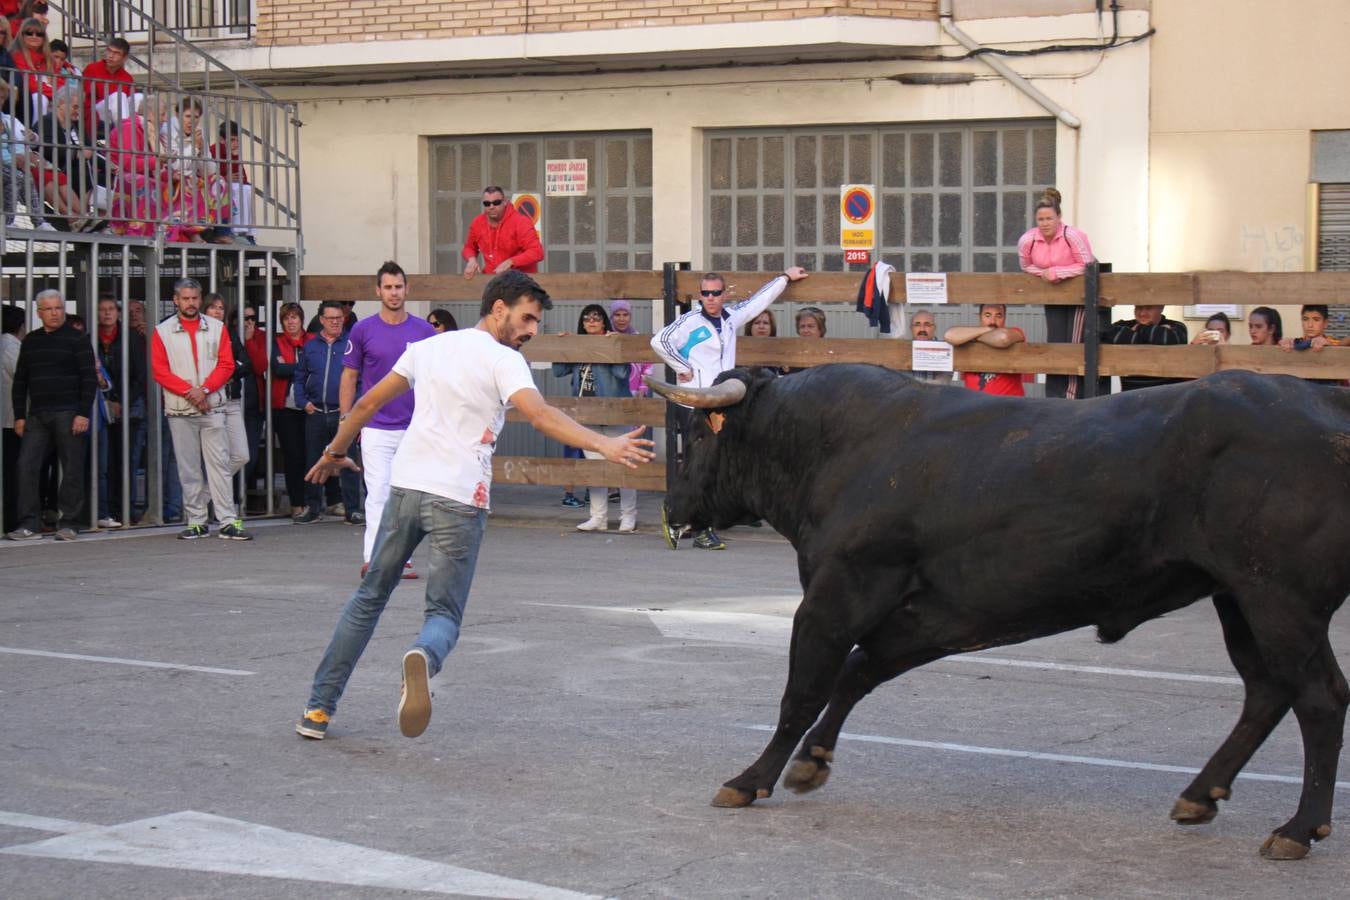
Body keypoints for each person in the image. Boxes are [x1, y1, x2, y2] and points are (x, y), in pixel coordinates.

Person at [295, 269, 655, 741]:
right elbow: (541, 415)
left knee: (368, 599)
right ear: (498, 308)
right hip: (461, 499)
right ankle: (423, 657)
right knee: (442, 615)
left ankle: (318, 710)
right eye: (527, 319)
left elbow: (364, 406)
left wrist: (335, 452)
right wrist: (604, 445)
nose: (531, 331)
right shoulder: (504, 361)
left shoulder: (428, 348)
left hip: (407, 489)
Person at [651, 266, 809, 550]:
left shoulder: (730, 318)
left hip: (722, 402)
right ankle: (687, 521)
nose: (710, 298)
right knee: (698, 464)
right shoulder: (689, 321)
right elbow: (659, 341)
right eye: (705, 293)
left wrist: (784, 277)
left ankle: (698, 521)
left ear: (724, 294)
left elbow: (758, 301)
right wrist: (682, 367)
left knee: (716, 463)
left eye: (715, 293)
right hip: (695, 402)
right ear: (700, 295)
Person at [341, 261, 437, 577]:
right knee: (379, 492)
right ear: (378, 290)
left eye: (398, 287)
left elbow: (434, 378)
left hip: (414, 428)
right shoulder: (363, 329)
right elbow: (350, 374)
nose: (393, 293)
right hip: (375, 428)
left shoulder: (424, 331)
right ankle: (374, 558)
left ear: (406, 289)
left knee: (408, 498)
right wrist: (347, 420)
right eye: (388, 287)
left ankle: (403, 559)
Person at [150, 278, 251, 540]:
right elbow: (160, 371)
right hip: (181, 409)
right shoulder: (162, 331)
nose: (191, 303)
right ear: (175, 300)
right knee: (189, 467)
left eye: (195, 298)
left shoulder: (217, 328)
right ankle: (197, 520)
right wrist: (192, 392)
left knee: (219, 464)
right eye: (185, 298)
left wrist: (204, 390)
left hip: (211, 406)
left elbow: (227, 364)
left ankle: (228, 519)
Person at [6, 289, 96, 541]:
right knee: (27, 466)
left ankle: (69, 522)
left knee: (72, 468)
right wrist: (20, 416)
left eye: (59, 308)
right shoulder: (32, 341)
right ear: (39, 313)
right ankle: (29, 524)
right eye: (49, 309)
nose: (55, 313)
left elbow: (88, 379)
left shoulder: (77, 339)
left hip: (69, 412)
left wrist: (82, 413)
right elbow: (21, 381)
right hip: (37, 415)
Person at [552, 303, 638, 533]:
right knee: (595, 468)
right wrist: (565, 345)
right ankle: (598, 517)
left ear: (603, 322)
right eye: (587, 319)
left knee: (624, 465)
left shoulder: (611, 340)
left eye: (596, 318)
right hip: (586, 415)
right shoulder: (579, 345)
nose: (591, 322)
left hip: (614, 414)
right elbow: (559, 371)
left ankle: (628, 516)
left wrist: (613, 346)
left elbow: (622, 373)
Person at [1018, 187, 1096, 399]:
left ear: (1059, 217)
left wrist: (1058, 272)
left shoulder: (1073, 236)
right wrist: (1043, 273)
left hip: (1078, 297)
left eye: (1049, 218)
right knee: (1055, 342)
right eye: (1040, 219)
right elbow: (1026, 265)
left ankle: (1071, 396)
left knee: (1073, 343)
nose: (1045, 223)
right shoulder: (1029, 240)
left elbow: (1088, 264)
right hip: (1052, 296)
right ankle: (1054, 395)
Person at [293, 300, 362, 525]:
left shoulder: (352, 344)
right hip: (317, 413)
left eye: (339, 318)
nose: (335, 322)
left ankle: (352, 510)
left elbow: (361, 379)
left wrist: (353, 408)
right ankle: (312, 508)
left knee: (348, 461)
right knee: (313, 461)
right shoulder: (311, 346)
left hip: (344, 414)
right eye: (330, 318)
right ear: (321, 320)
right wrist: (303, 402)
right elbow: (299, 377)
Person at [95, 296, 146, 527]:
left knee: (125, 460)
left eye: (111, 310)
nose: (107, 314)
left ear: (118, 313)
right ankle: (104, 510)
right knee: (103, 461)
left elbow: (139, 375)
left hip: (129, 406)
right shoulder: (91, 340)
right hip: (99, 406)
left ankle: (124, 509)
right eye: (102, 310)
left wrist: (121, 401)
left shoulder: (131, 338)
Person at [160, 96, 228, 242]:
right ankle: (192, 231)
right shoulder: (167, 130)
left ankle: (218, 231)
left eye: (196, 117)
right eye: (188, 116)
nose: (192, 121)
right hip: (171, 176)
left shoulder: (199, 132)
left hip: (193, 176)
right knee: (190, 182)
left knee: (219, 181)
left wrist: (202, 149)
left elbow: (209, 171)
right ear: (178, 115)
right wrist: (194, 147)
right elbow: (175, 165)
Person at [203, 293, 252, 483]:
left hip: (232, 400)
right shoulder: (200, 335)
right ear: (204, 310)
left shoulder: (229, 333)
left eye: (221, 308)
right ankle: (214, 507)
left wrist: (224, 371)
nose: (217, 311)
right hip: (210, 401)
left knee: (241, 455)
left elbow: (246, 364)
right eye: (213, 307)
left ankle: (204, 496)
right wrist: (228, 368)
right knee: (217, 457)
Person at [36, 83, 99, 231]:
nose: (79, 112)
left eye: (80, 107)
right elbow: (48, 149)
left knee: (109, 177)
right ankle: (84, 217)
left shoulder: (76, 126)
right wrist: (76, 153)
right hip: (57, 164)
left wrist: (111, 166)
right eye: (76, 107)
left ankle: (90, 220)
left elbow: (90, 149)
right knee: (81, 167)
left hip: (75, 166)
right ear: (61, 104)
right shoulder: (46, 122)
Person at [269, 301, 310, 518]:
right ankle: (297, 503)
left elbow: (315, 366)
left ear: (301, 319)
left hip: (309, 407)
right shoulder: (276, 342)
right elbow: (277, 368)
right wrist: (301, 368)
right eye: (286, 318)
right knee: (293, 456)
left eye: (294, 317)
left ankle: (311, 502)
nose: (291, 321)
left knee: (311, 455)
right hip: (284, 408)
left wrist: (292, 368)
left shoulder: (312, 341)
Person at [944, 303, 1029, 396]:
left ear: (1004, 318)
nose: (993, 321)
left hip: (1008, 405)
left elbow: (1003, 338)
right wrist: (985, 331)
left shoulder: (1015, 332)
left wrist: (975, 336)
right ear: (980, 317)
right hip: (976, 406)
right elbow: (949, 335)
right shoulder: (970, 335)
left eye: (998, 316)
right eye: (987, 315)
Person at [461, 185, 544, 278]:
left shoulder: (521, 222)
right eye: (487, 203)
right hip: (491, 280)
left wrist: (511, 262)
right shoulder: (477, 222)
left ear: (505, 202)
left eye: (496, 202)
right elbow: (469, 247)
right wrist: (471, 260)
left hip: (520, 281)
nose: (491, 207)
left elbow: (537, 252)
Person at [1102, 304, 1189, 391]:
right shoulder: (1121, 325)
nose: (1142, 313)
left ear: (1161, 307)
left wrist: (1138, 328)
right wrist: (1155, 334)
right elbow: (1106, 334)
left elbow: (1169, 339)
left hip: (1167, 395)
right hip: (1130, 396)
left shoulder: (1178, 326)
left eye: (1149, 308)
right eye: (1138, 307)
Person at [2, 303, 26, 532]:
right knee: (13, 473)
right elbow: (24, 378)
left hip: (8, 419)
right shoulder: (11, 347)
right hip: (13, 420)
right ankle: (12, 519)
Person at [210, 120, 254, 244]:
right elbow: (209, 174)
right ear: (222, 140)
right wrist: (225, 178)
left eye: (238, 140)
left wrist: (234, 157)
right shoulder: (213, 151)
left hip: (230, 186)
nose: (236, 144)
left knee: (246, 189)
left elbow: (242, 177)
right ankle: (234, 231)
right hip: (215, 187)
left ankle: (246, 234)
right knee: (234, 188)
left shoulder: (234, 154)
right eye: (232, 140)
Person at [80, 37, 134, 136]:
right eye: (109, 51)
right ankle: (125, 138)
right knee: (118, 96)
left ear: (125, 58)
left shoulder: (127, 78)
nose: (111, 56)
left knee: (139, 97)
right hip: (95, 113)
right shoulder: (92, 69)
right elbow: (84, 99)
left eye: (116, 53)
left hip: (118, 114)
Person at [906, 307, 950, 384]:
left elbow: (944, 380)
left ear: (934, 328)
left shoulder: (944, 349)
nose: (922, 329)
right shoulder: (903, 349)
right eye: (917, 325)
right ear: (911, 328)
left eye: (927, 325)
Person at [782, 306, 826, 375]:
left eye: (810, 326)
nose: (805, 330)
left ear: (820, 329)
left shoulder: (829, 354)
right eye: (802, 326)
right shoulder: (791, 356)